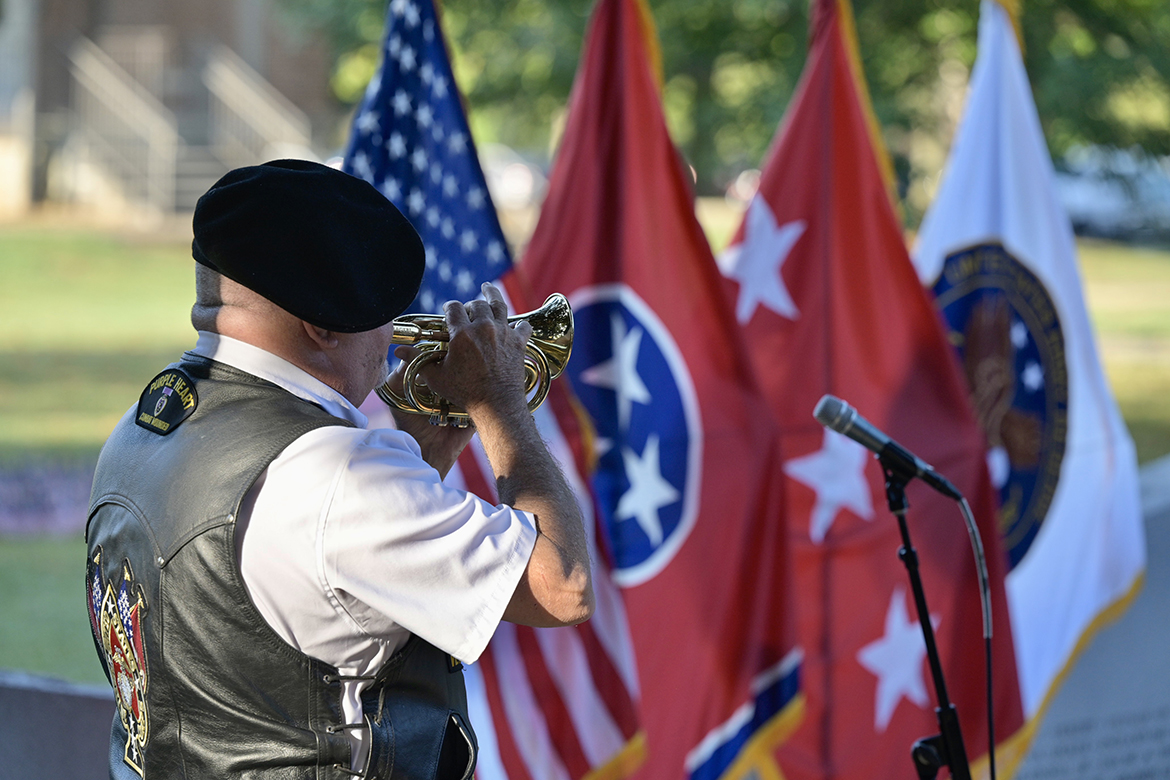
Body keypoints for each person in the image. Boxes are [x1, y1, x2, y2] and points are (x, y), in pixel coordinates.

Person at [84, 159, 593, 780]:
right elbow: (562, 586)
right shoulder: (337, 473)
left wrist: (427, 444)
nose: (393, 338)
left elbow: (312, 580)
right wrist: (500, 404)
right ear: (321, 325)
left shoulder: (146, 423)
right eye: (381, 313)